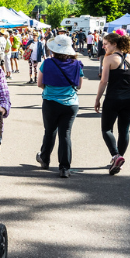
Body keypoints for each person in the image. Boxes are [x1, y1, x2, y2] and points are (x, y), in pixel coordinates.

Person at [94, 33, 130, 176]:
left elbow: (104, 81)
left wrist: (97, 99)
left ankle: (116, 156)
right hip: (129, 99)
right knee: (124, 130)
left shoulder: (108, 59)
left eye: (106, 44)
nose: (103, 46)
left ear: (114, 44)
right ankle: (119, 158)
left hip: (113, 98)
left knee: (106, 130)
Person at [36, 34, 82, 178]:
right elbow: (79, 85)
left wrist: (52, 88)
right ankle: (64, 167)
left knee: (49, 131)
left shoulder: (47, 63)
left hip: (50, 101)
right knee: (65, 134)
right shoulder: (77, 64)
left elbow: (40, 84)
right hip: (71, 103)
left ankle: (44, 159)